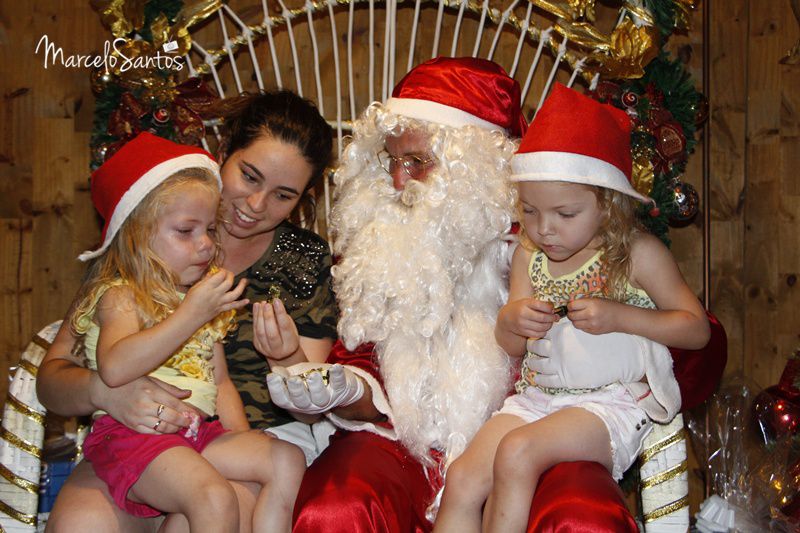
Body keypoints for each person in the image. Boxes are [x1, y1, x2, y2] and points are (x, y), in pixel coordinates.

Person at [265, 58, 643, 532]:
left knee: (582, 517)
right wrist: (350, 388)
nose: (398, 181)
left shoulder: (552, 246)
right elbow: (360, 356)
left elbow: (689, 348)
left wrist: (634, 335)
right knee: (338, 505)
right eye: (391, 160)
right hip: (402, 443)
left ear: (476, 168)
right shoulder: (381, 246)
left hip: (536, 435)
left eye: (417, 162)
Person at [37, 90, 338, 532]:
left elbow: (312, 409)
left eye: (283, 195)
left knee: (208, 506)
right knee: (80, 526)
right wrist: (104, 392)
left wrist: (286, 358)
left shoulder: (303, 259)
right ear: (224, 151)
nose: (256, 205)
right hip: (132, 428)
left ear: (302, 198)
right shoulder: (145, 237)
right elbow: (52, 377)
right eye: (249, 176)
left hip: (244, 437)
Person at [432, 83, 711, 532]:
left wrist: (620, 317)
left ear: (608, 205)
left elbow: (697, 329)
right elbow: (512, 347)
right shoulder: (529, 256)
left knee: (517, 453)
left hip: (611, 403)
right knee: (463, 478)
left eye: (565, 214)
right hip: (536, 399)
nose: (544, 229)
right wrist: (511, 321)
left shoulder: (637, 255)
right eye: (530, 211)